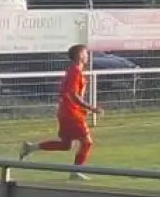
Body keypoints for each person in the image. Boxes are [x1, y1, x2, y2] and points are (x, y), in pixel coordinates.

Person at [20, 44, 102, 180]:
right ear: (79, 56)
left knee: (66, 145)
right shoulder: (75, 71)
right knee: (87, 142)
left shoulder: (75, 71)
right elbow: (73, 94)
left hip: (67, 112)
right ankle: (75, 172)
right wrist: (90, 108)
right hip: (71, 113)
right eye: (85, 53)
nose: (87, 55)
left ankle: (30, 147)